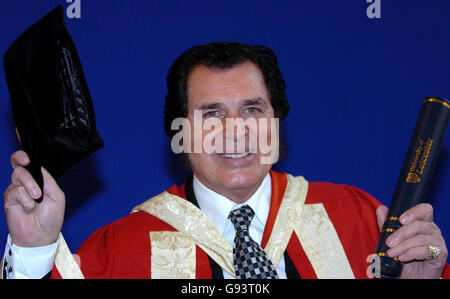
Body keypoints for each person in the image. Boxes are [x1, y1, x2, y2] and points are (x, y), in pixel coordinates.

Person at [2, 42, 448, 279]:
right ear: (181, 134)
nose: (237, 130)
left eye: (253, 110)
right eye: (211, 114)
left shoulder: (360, 220)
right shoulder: (121, 249)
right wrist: (31, 251)